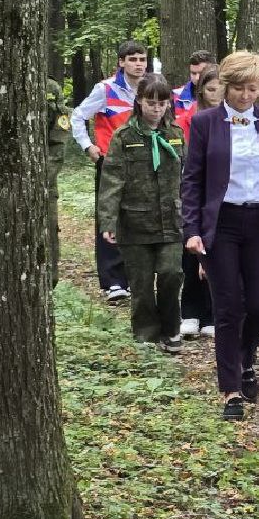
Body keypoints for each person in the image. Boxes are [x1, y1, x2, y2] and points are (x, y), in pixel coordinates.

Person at [181, 50, 259, 421]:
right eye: (240, 88)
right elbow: (192, 179)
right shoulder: (205, 123)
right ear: (225, 88)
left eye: (253, 88)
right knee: (227, 307)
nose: (247, 96)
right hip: (222, 224)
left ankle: (246, 358)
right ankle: (231, 389)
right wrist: (192, 230)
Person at [96, 74, 187, 352]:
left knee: (171, 273)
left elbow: (187, 178)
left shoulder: (176, 135)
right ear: (139, 102)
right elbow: (112, 180)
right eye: (151, 102)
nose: (156, 109)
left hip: (171, 220)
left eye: (162, 103)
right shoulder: (124, 137)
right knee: (142, 283)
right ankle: (146, 334)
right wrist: (108, 220)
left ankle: (171, 329)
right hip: (135, 221)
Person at [71, 40, 148, 302]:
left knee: (137, 217)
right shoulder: (105, 89)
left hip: (143, 163)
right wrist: (87, 146)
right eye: (133, 59)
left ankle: (135, 274)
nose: (138, 64)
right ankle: (113, 280)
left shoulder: (150, 88)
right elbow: (78, 115)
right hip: (111, 162)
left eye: (142, 59)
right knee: (110, 216)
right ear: (121, 62)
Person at [178, 64, 220, 337]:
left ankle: (211, 314)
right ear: (201, 90)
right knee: (192, 251)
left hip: (220, 192)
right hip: (196, 187)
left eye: (221, 89)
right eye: (211, 89)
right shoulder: (189, 118)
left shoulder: (231, 118)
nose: (216, 94)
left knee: (216, 252)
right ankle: (190, 312)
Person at [44, 77, 70, 289]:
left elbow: (60, 134)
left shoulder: (51, 87)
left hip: (45, 180)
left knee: (48, 229)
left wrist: (44, 178)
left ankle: (49, 280)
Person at [173, 49, 217, 116]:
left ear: (214, 71)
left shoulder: (226, 96)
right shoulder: (176, 96)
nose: (197, 78)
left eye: (202, 72)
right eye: (193, 73)